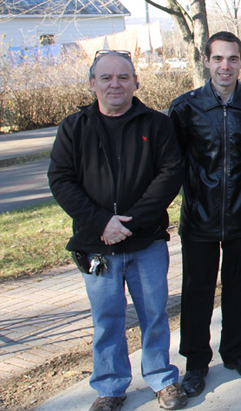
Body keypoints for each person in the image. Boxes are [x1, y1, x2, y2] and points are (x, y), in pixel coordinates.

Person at [47, 50, 187, 411]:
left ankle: (162, 379)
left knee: (154, 314)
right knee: (107, 320)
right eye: (106, 77)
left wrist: (130, 223)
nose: (115, 84)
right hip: (97, 245)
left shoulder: (157, 125)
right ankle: (110, 387)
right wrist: (102, 223)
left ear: (135, 82)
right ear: (92, 83)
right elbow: (61, 180)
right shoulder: (73, 128)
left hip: (146, 242)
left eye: (123, 77)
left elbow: (170, 174)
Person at [168, 31, 241, 397]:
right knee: (197, 291)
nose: (225, 66)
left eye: (233, 59)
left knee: (240, 285)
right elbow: (170, 164)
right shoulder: (185, 108)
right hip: (199, 219)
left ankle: (237, 351)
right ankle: (195, 362)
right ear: (206, 61)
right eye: (218, 58)